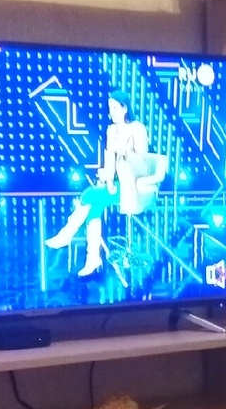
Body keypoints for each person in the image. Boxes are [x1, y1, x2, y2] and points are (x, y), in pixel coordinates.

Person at [46, 90, 152, 277]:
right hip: (117, 183)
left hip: (135, 183)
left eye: (115, 108)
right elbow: (109, 159)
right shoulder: (111, 130)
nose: (112, 112)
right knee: (94, 206)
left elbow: (143, 161)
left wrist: (125, 152)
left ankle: (67, 236)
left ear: (125, 108)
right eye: (110, 108)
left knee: (90, 195)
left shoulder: (137, 128)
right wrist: (108, 179)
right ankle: (92, 257)